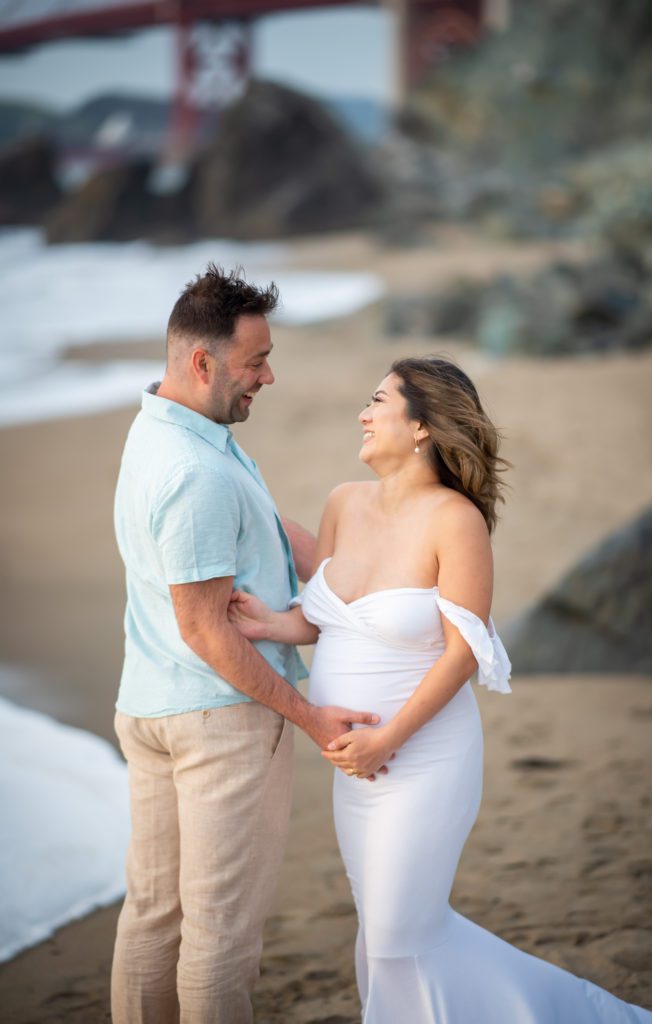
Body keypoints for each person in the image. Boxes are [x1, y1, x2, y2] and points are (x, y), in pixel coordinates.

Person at [228, 356, 652, 1023]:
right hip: (357, 769)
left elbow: (465, 652)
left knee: (402, 936)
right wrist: (271, 622)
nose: (364, 412)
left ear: (421, 428)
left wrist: (388, 739)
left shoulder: (455, 521)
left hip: (424, 758)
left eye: (378, 400)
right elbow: (327, 615)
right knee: (382, 936)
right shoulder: (343, 503)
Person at [111, 264, 379, 1024]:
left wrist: (374, 574)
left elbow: (267, 527)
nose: (269, 375)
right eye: (255, 361)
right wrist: (308, 715)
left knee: (154, 917)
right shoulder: (195, 471)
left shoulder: (167, 427)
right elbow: (206, 627)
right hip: (218, 722)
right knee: (221, 937)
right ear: (203, 363)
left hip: (151, 707)